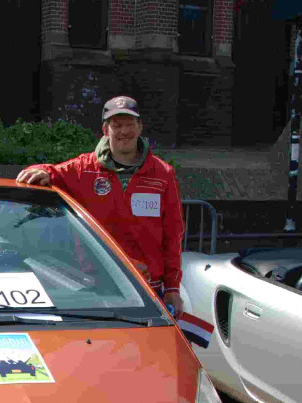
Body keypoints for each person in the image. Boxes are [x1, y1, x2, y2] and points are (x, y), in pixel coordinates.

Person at [16, 96, 186, 316]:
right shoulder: (84, 169)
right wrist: (42, 171)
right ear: (105, 130)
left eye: (129, 124)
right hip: (99, 287)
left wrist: (172, 287)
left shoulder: (163, 174)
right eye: (117, 125)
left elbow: (173, 235)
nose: (124, 131)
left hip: (147, 288)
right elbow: (50, 171)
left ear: (140, 127)